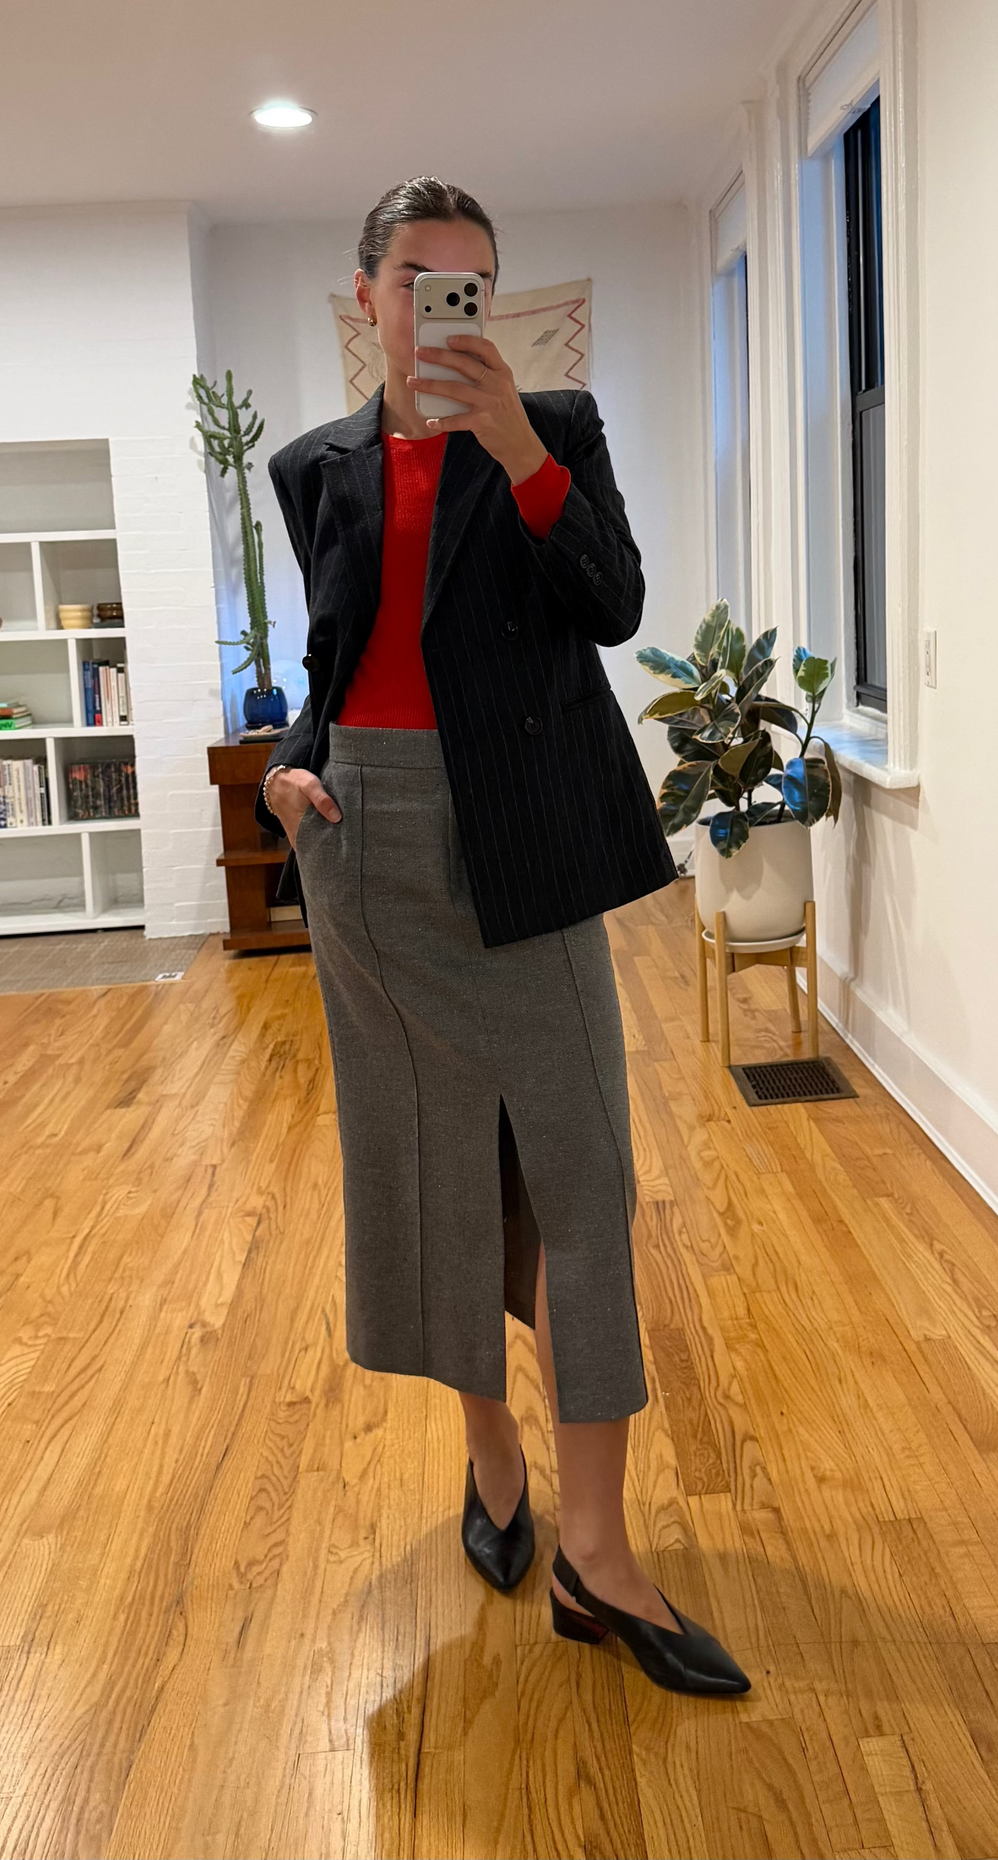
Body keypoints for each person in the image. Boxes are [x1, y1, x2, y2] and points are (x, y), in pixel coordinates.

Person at [256, 177, 748, 1697]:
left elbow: (611, 604)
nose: (443, 307)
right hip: (360, 847)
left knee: (588, 1176)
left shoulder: (564, 429)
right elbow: (348, 653)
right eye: (417, 280)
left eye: (474, 284)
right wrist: (293, 761)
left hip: (521, 840)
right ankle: (491, 1465)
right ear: (368, 295)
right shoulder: (313, 465)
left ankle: (599, 1554)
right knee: (431, 1180)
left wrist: (520, 447)